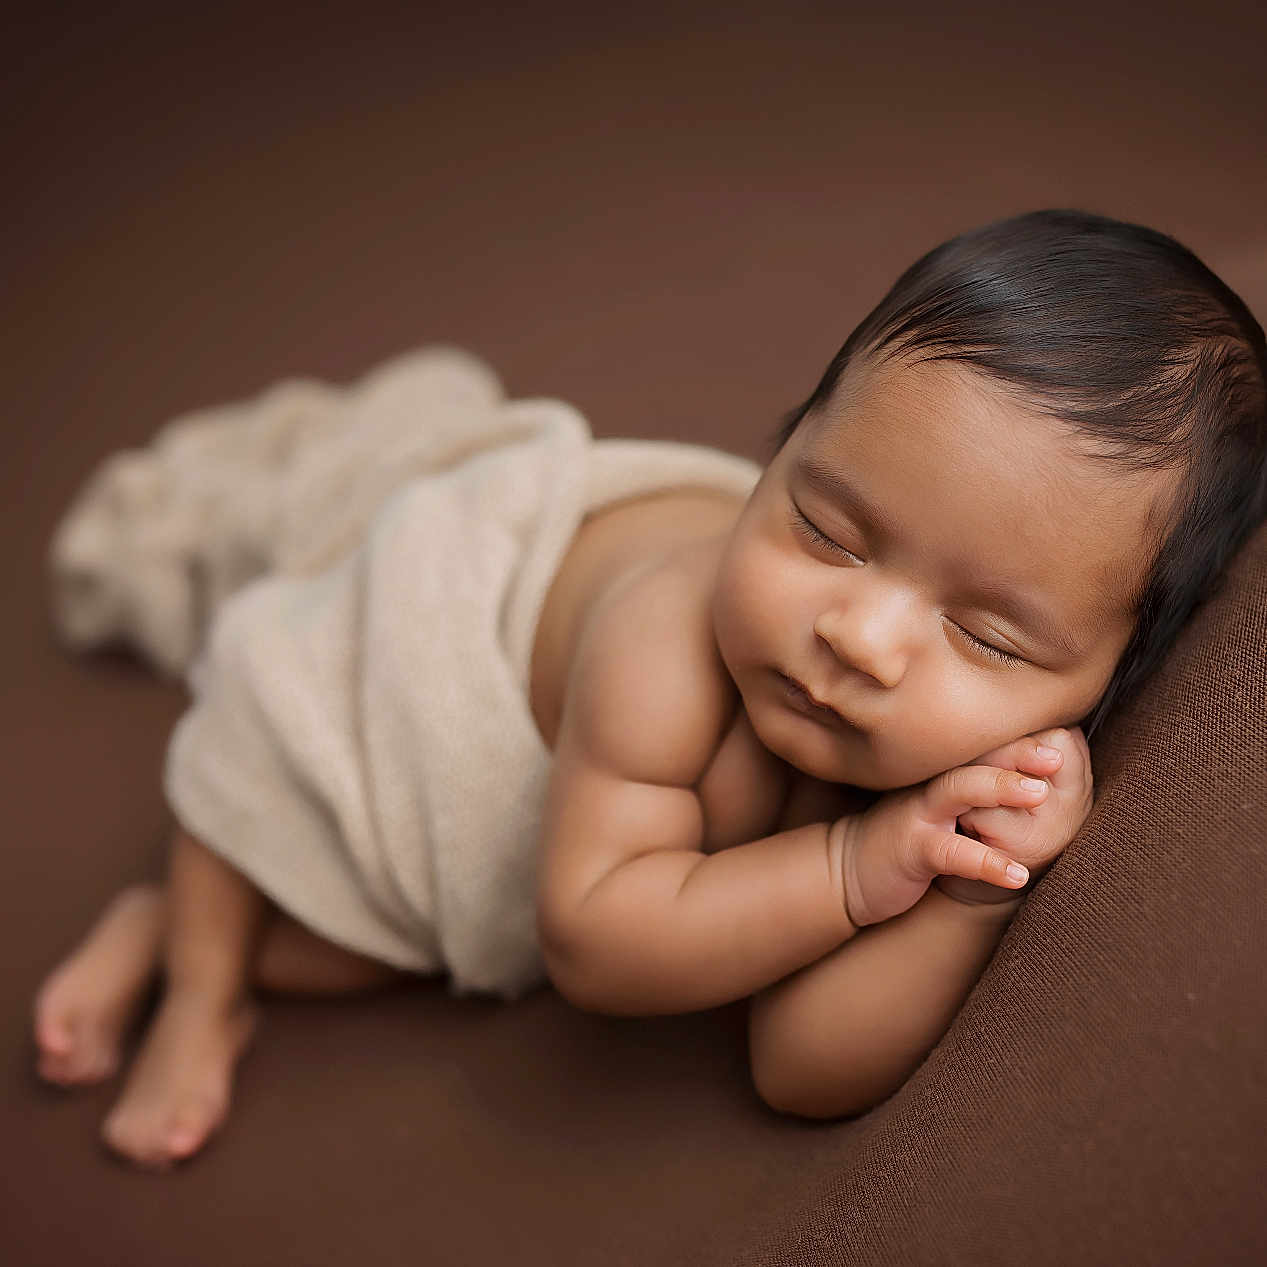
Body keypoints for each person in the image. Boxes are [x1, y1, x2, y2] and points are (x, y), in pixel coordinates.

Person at [32, 209, 1267, 1162]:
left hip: (596, 827)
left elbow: (798, 1068)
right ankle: (198, 980)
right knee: (269, 770)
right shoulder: (668, 637)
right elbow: (594, 937)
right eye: (828, 530)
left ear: (1106, 682)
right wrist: (849, 870)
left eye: (989, 638)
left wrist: (963, 891)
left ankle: (186, 932)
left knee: (368, 943)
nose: (860, 638)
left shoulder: (958, 757)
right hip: (451, 634)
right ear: (785, 444)